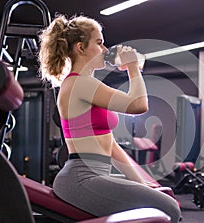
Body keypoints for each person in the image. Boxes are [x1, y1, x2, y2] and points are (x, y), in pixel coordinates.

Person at [38, 14, 181, 222]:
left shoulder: (86, 84)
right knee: (170, 209)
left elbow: (111, 145)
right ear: (81, 48)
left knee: (164, 201)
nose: (105, 50)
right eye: (99, 43)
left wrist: (144, 183)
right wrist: (132, 67)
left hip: (96, 175)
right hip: (81, 178)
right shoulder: (79, 84)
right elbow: (138, 105)